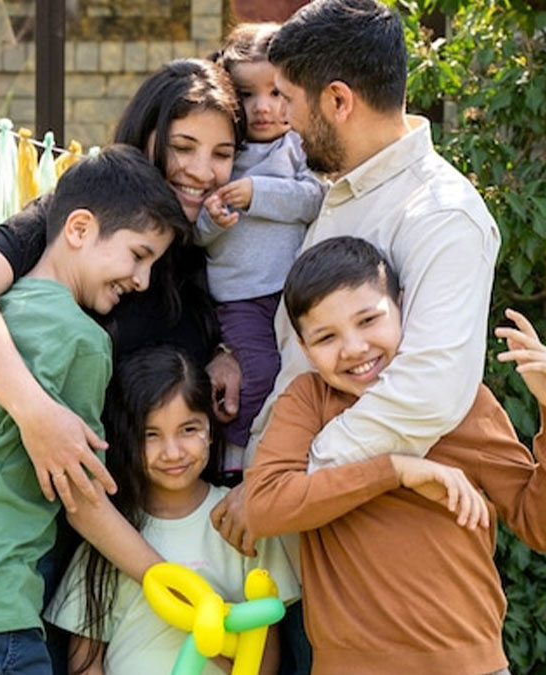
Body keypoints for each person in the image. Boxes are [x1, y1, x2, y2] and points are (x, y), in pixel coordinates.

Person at [212, 0, 501, 579]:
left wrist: (288, 481)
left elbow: (428, 390)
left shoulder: (441, 215)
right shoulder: (343, 193)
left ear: (338, 101)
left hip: (380, 559)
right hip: (301, 534)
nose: (284, 120)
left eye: (290, 101)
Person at [0, 146, 190, 674]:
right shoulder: (82, 341)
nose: (142, 280)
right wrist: (166, 578)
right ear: (79, 228)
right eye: (139, 255)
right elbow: (83, 500)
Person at [0, 59, 242, 568]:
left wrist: (225, 353)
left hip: (168, 523)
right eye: (183, 147)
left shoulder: (210, 237)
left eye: (222, 154)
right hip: (62, 526)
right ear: (147, 137)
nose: (202, 171)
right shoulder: (77, 220)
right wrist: (38, 414)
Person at [244, 236, 546, 674]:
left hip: (469, 664)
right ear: (304, 347)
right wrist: (394, 470)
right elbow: (265, 507)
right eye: (327, 337)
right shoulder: (308, 401)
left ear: (402, 307)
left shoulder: (458, 400)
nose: (353, 348)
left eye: (368, 320)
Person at [44, 346, 299, 675]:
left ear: (210, 428)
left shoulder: (239, 519)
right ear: (127, 439)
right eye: (151, 435)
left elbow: (265, 650)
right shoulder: (112, 533)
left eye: (188, 429)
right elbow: (85, 660)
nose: (172, 452)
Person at [196, 22, 324, 456]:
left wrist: (258, 194)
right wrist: (212, 220)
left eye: (276, 92)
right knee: (258, 373)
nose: (263, 108)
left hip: (292, 293)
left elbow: (315, 199)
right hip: (240, 298)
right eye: (246, 95)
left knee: (299, 375)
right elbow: (198, 236)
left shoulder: (297, 148)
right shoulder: (223, 152)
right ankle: (239, 462)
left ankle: (279, 460)